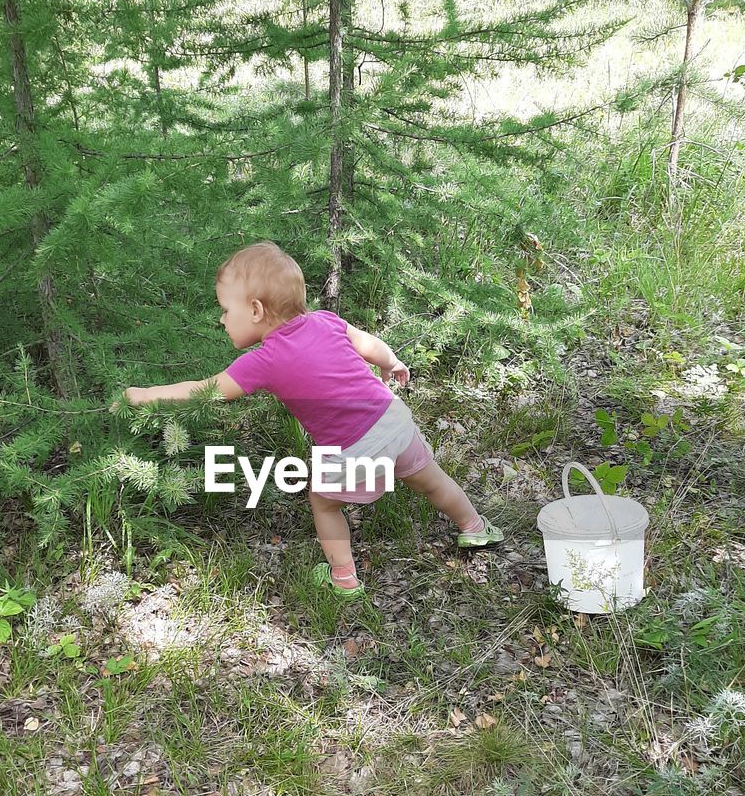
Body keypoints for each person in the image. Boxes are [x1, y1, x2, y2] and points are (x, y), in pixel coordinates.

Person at [115, 241, 503, 598]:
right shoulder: (325, 320)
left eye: (225, 310)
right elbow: (368, 344)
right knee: (431, 479)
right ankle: (474, 527)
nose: (221, 319)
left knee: (324, 503)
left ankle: (344, 577)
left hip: (355, 447)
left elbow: (206, 389)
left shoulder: (263, 360)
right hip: (393, 419)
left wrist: (146, 395)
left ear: (255, 310)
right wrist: (392, 362)